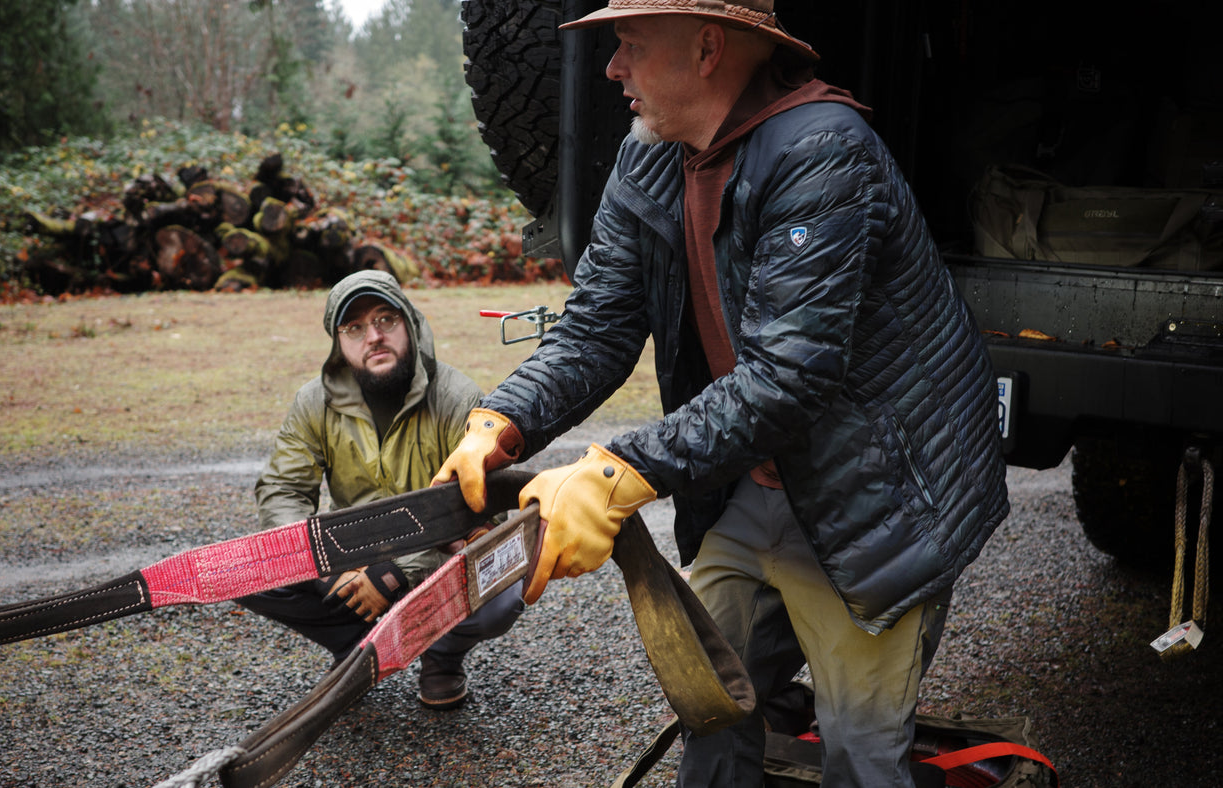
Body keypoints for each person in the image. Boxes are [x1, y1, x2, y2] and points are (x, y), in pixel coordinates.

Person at [432, 1, 1009, 785]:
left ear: (708, 49)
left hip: (874, 499)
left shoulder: (825, 153)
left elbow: (788, 376)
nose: (612, 69)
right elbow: (598, 323)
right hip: (753, 482)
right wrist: (503, 418)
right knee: (708, 704)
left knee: (861, 752)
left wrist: (612, 475)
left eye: (630, 46)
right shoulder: (651, 155)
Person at [238, 270, 525, 710]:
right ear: (339, 342)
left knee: (501, 587)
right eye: (355, 328)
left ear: (409, 323)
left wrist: (397, 571)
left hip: (438, 556)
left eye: (385, 320)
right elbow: (281, 490)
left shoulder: (458, 397)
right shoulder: (313, 403)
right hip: (350, 555)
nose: (373, 336)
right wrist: (326, 565)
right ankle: (355, 647)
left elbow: (484, 514)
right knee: (246, 568)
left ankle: (441, 656)